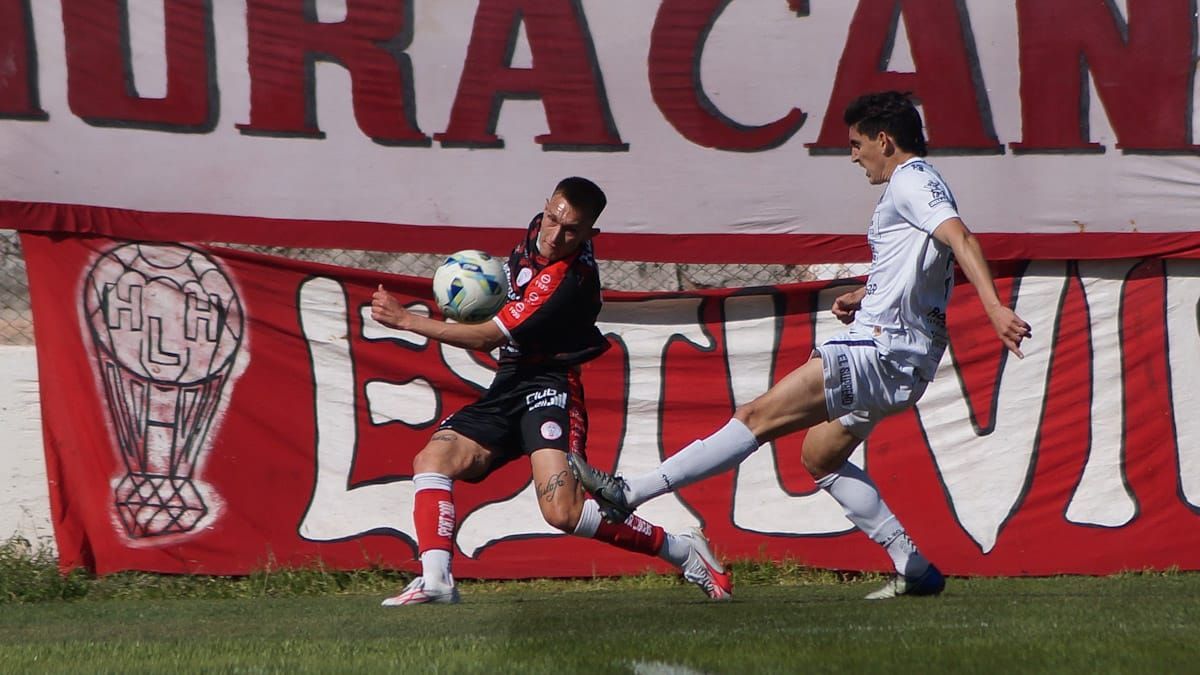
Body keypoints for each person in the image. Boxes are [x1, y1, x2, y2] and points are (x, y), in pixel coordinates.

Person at [569, 92, 1033, 599]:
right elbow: (919, 261)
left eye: (857, 145)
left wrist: (994, 310)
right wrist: (864, 293)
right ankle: (913, 566)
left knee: (755, 418)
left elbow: (961, 239)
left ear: (884, 140)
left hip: (880, 351)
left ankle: (630, 491)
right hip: (900, 358)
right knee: (820, 456)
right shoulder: (912, 187)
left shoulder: (912, 180)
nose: (853, 156)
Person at [371, 176, 731, 605]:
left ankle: (682, 551)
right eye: (551, 219)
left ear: (590, 235)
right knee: (433, 459)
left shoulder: (566, 279)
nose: (555, 236)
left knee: (562, 511)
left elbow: (487, 337)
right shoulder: (539, 234)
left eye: (571, 230)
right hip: (510, 383)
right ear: (545, 207)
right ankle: (437, 580)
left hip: (550, 388)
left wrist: (408, 321)